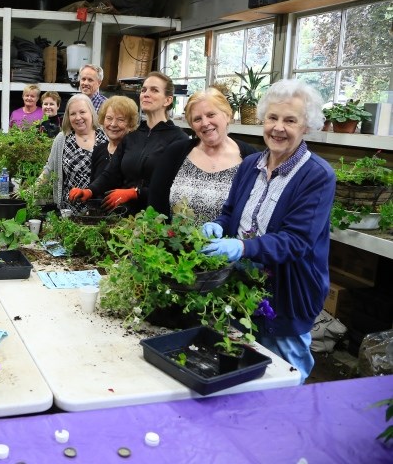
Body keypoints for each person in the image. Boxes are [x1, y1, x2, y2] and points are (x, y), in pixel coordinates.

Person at [200, 79, 335, 383]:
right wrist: (219, 228)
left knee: (286, 371)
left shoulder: (317, 176)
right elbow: (231, 213)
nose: (278, 127)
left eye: (290, 120)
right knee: (245, 362)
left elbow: (297, 241)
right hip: (241, 285)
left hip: (288, 291)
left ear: (307, 127)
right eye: (273, 117)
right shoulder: (250, 164)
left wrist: (243, 248)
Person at [68, 71, 188, 214]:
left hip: (156, 220)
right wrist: (89, 190)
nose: (146, 94)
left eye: (154, 90)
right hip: (126, 219)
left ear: (167, 100)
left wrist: (136, 193)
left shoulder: (179, 139)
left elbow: (175, 187)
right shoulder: (132, 138)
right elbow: (111, 173)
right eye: (144, 90)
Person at [149, 88, 257, 223]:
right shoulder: (175, 153)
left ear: (228, 115)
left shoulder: (250, 158)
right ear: (191, 125)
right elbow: (155, 204)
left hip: (226, 243)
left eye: (211, 115)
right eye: (197, 119)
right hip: (175, 242)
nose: (205, 123)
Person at [41, 94, 107, 213]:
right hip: (69, 212)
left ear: (91, 112)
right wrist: (29, 192)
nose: (78, 117)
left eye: (82, 112)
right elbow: (49, 169)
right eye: (73, 114)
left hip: (102, 211)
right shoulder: (62, 139)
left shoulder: (106, 137)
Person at [91, 96, 139, 181]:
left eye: (120, 120)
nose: (113, 124)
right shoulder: (98, 150)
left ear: (130, 123)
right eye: (109, 118)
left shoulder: (135, 152)